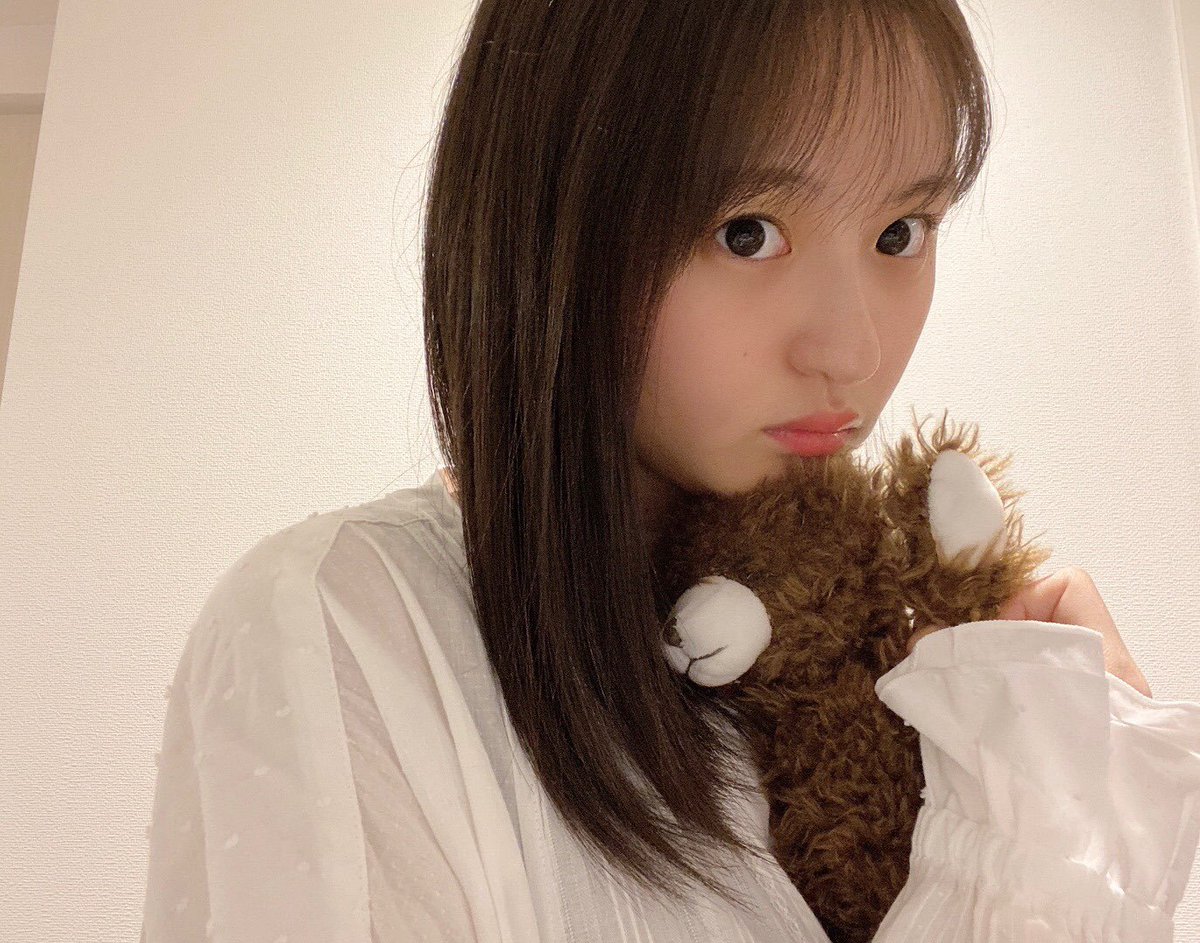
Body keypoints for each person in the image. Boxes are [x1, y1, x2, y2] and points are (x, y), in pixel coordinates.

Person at [140, 1, 1200, 940]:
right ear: (555, 220)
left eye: (900, 232)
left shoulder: (892, 657)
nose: (851, 350)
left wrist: (1047, 805)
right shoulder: (350, 629)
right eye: (748, 232)